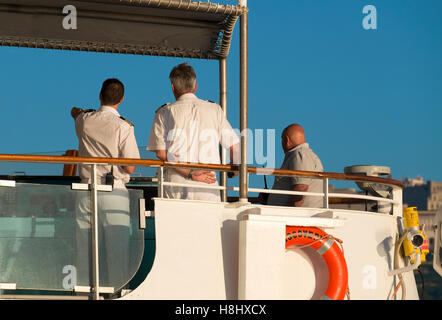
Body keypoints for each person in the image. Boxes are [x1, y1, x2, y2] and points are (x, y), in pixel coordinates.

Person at [71, 78, 140, 290]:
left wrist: (78, 112)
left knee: (84, 249)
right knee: (117, 250)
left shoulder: (84, 120)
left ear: (100, 95)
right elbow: (130, 168)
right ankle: (117, 291)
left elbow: (75, 112)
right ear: (121, 100)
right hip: (113, 192)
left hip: (86, 189)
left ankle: (84, 291)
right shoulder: (124, 127)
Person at [147, 62, 240, 201]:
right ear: (195, 86)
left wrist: (190, 173)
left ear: (173, 87)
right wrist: (234, 169)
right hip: (209, 188)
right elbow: (235, 147)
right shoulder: (214, 110)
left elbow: (161, 153)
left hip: (176, 185)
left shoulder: (164, 112)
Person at [266, 123, 324, 208]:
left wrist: (292, 215)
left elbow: (301, 188)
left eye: (282, 139)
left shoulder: (299, 154)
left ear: (287, 140)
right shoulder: (302, 154)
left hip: (294, 218)